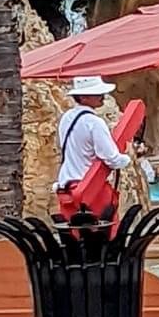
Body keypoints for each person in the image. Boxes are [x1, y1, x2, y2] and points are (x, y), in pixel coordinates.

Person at [55, 76, 131, 217]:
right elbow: (110, 157)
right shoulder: (94, 122)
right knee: (105, 232)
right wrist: (125, 159)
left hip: (66, 186)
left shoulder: (66, 118)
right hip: (91, 187)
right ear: (83, 97)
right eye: (97, 93)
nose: (102, 96)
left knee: (73, 233)